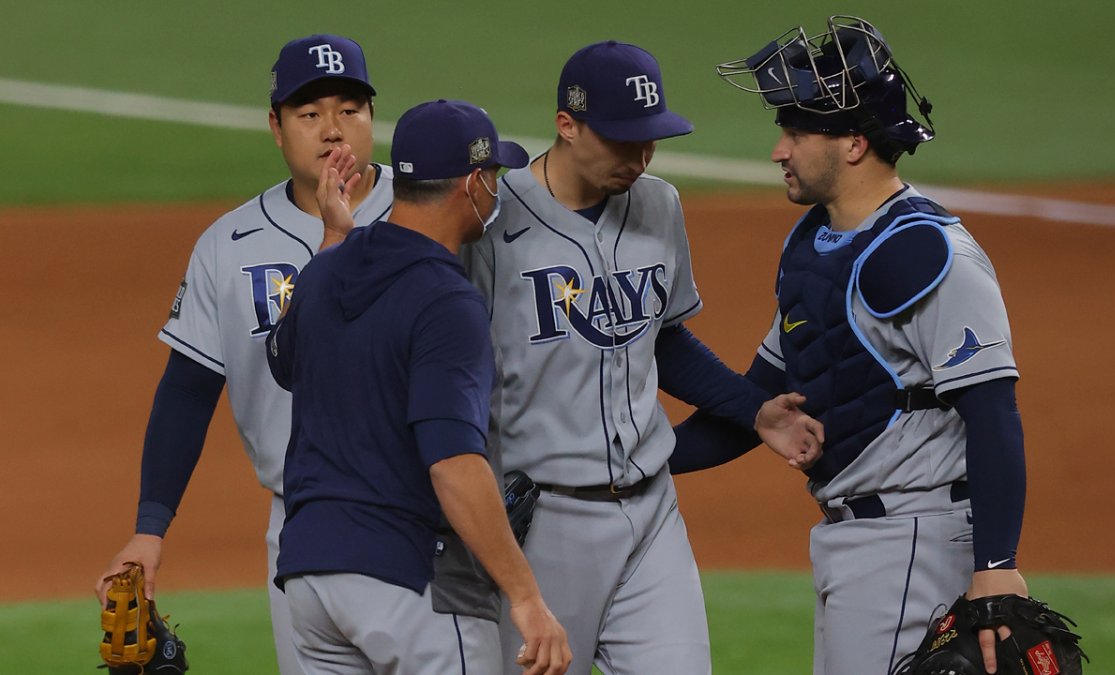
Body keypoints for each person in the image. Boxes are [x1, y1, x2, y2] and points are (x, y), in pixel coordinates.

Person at [461, 41, 822, 675]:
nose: (641, 156)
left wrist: (754, 411)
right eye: (622, 141)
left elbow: (663, 337)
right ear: (566, 125)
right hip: (542, 525)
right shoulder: (493, 220)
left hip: (652, 519)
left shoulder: (659, 204)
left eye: (649, 139)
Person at [699, 15, 1030, 675]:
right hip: (853, 541)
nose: (778, 151)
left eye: (795, 134)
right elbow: (756, 398)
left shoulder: (927, 253)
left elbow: (993, 410)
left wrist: (995, 567)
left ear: (853, 143)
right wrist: (622, 458)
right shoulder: (813, 245)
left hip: (913, 539)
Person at [94, 34, 393, 674]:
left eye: (350, 109)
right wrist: (150, 528)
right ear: (276, 127)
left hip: (430, 515)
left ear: (374, 117)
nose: (333, 130)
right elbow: (187, 389)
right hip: (304, 527)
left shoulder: (432, 210)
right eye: (310, 114)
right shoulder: (229, 245)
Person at [265, 98, 571, 675]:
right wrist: (526, 599)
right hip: (406, 586)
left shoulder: (328, 267)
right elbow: (453, 462)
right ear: (471, 184)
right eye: (493, 177)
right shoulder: (447, 300)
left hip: (310, 582)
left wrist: (334, 237)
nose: (495, 191)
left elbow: (285, 359)